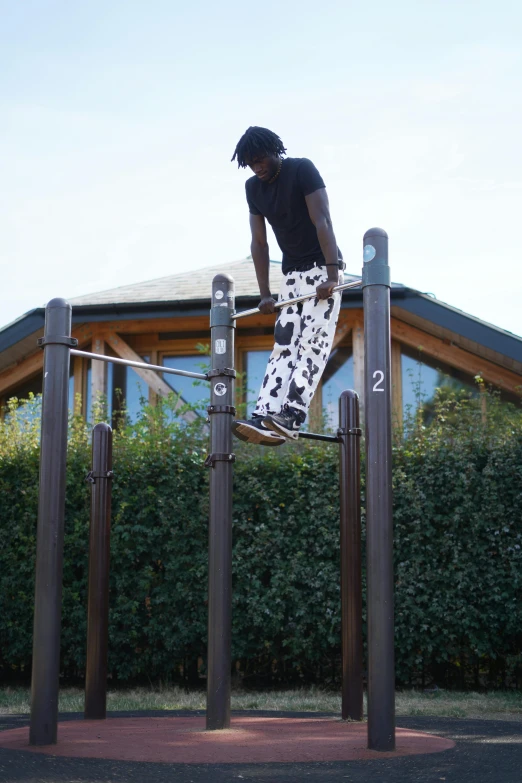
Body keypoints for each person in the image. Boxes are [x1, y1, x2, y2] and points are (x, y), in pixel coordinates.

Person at [230, 126, 344, 446]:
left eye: (261, 159)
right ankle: (267, 414)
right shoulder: (253, 188)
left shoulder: (301, 169)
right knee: (284, 344)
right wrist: (265, 292)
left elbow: (323, 220)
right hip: (292, 276)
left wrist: (332, 275)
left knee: (312, 343)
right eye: (251, 163)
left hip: (323, 268)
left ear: (273, 151)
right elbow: (259, 243)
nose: (258, 167)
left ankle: (292, 414)